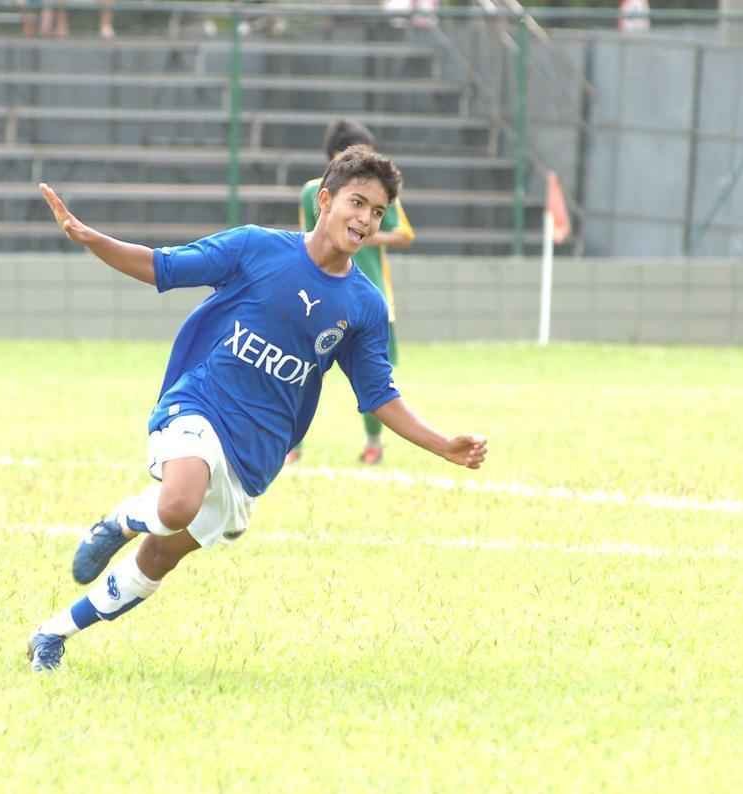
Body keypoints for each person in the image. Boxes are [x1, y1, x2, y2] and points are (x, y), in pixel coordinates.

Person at [27, 146, 487, 671]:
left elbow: (378, 393)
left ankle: (51, 634)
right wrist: (91, 239)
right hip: (199, 403)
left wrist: (440, 443)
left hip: (256, 455)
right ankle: (114, 524)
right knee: (176, 502)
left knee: (159, 557)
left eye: (377, 211)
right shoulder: (255, 248)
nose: (365, 219)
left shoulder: (363, 306)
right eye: (357, 203)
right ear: (325, 200)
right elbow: (164, 267)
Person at [289, 119, 415, 466]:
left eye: (374, 212)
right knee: (298, 370)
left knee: (376, 376)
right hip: (318, 297)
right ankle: (290, 443)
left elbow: (404, 233)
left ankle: (374, 442)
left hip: (371, 295)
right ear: (334, 157)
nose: (365, 215)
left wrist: (367, 234)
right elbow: (308, 237)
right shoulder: (311, 192)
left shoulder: (379, 195)